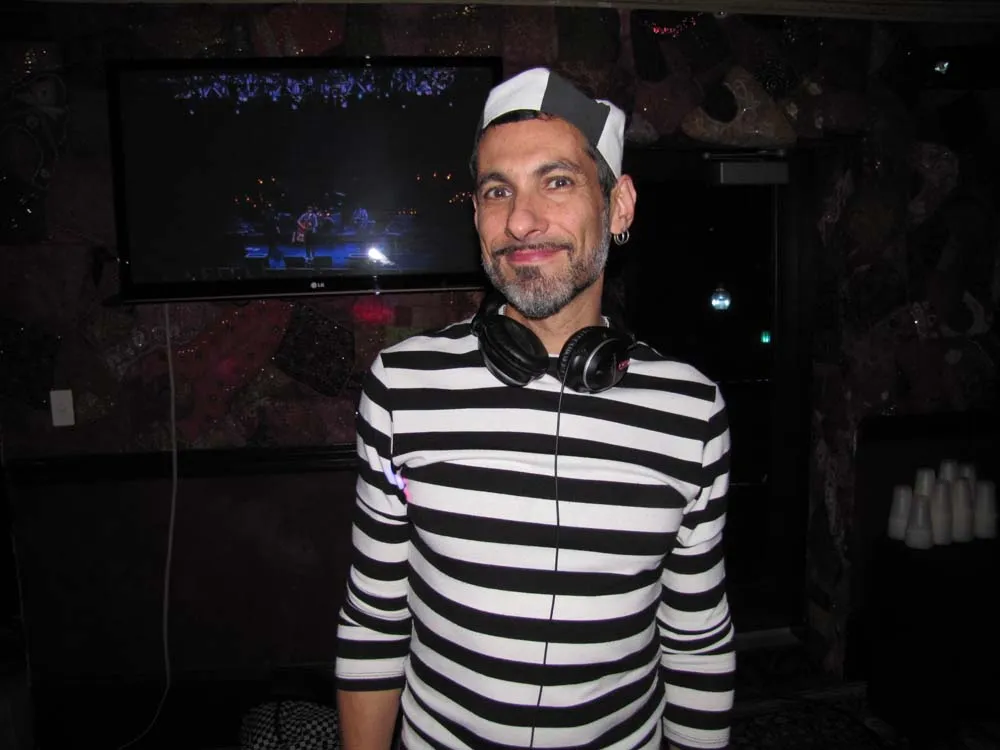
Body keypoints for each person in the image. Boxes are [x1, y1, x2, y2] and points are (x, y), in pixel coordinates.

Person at [336, 68, 734, 750]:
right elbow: (374, 619)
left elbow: (696, 640)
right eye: (498, 191)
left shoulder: (692, 411)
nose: (520, 221)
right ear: (476, 215)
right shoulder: (401, 389)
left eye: (557, 181)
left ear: (619, 206)